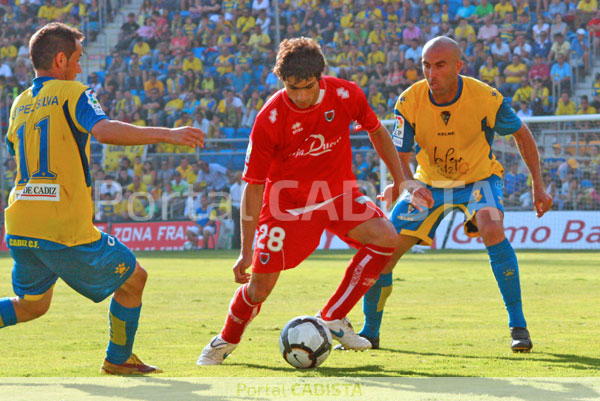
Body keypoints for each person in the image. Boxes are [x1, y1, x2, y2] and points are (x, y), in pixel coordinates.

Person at [0, 23, 204, 374]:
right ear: (61, 59)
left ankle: (119, 358)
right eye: (77, 59)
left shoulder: (19, 103)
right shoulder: (73, 91)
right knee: (134, 278)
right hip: (61, 225)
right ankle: (118, 359)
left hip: (20, 221)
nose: (80, 67)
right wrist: (166, 134)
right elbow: (104, 129)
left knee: (31, 305)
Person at [196, 37, 404, 365]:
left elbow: (376, 130)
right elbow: (252, 187)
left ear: (320, 77)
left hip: (338, 195)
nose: (301, 96)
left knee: (386, 239)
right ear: (283, 82)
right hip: (286, 208)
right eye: (293, 88)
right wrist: (244, 249)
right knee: (259, 289)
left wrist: (400, 178)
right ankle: (224, 341)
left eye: (307, 87)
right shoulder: (270, 119)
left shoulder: (346, 94)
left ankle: (333, 317)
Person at [355, 37, 553, 353]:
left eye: (440, 65)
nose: (431, 74)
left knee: (491, 226)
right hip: (428, 184)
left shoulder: (485, 97)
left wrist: (538, 185)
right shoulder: (409, 101)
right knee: (383, 250)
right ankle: (370, 333)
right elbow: (401, 155)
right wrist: (402, 182)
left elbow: (522, 133)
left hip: (479, 180)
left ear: (459, 66)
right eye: (426, 66)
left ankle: (518, 327)